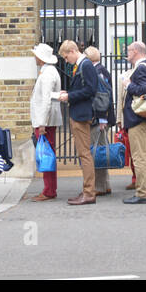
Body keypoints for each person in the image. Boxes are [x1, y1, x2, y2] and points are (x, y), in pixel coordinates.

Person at [58, 40, 99, 205]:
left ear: (73, 51)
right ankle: (87, 190)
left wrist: (69, 96)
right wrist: (68, 92)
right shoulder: (82, 65)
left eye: (67, 57)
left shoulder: (86, 65)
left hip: (81, 115)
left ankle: (89, 193)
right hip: (78, 113)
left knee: (85, 154)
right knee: (83, 154)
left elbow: (91, 89)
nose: (66, 60)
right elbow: (84, 88)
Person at [122, 41, 146, 205]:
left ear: (136, 51)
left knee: (140, 157)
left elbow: (142, 90)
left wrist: (128, 85)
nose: (127, 53)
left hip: (138, 119)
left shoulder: (141, 68)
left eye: (129, 50)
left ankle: (142, 193)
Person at [29, 43, 62, 202]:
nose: (34, 57)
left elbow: (46, 100)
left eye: (36, 55)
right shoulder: (48, 71)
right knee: (47, 154)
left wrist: (42, 123)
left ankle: (49, 190)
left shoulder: (48, 73)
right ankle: (49, 189)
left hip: (45, 121)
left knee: (46, 155)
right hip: (47, 119)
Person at [86, 45, 115, 197]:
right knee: (101, 151)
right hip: (102, 118)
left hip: (100, 119)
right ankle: (106, 184)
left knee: (97, 152)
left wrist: (102, 118)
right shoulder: (101, 70)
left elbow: (102, 96)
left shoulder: (98, 72)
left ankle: (100, 186)